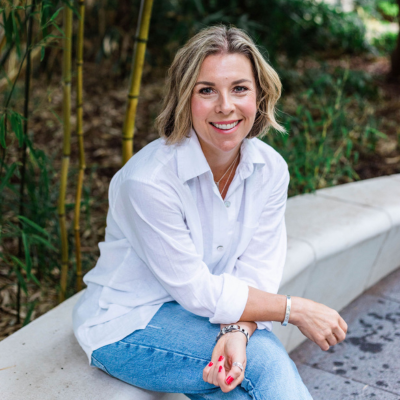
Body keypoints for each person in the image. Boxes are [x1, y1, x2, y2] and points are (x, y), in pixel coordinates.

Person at [72, 25, 348, 399]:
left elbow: (258, 269)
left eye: (239, 88)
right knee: (264, 363)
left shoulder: (270, 168)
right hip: (127, 324)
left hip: (204, 317)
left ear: (259, 95)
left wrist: (239, 330)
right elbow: (195, 288)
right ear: (185, 99)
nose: (225, 106)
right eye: (207, 91)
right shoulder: (149, 181)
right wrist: (292, 309)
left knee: (234, 384)